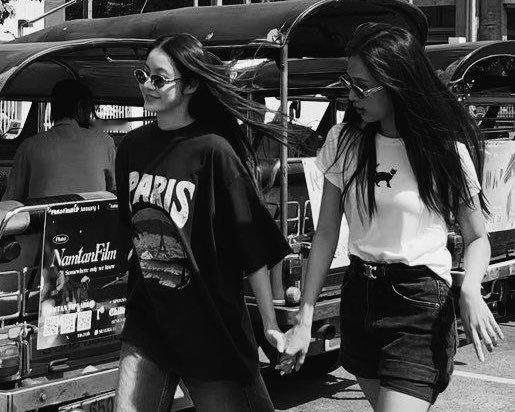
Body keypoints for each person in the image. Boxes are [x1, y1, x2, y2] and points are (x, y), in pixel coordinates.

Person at [280, 23, 504, 411]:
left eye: (362, 86)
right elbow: (326, 233)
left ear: (397, 83)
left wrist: (470, 288)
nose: (352, 96)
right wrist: (304, 318)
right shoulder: (343, 142)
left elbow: (476, 237)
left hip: (419, 303)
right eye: (348, 83)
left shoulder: (444, 150)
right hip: (360, 297)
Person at [114, 34, 292, 412]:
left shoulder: (214, 151)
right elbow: (132, 232)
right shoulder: (130, 148)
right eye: (143, 75)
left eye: (159, 78)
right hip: (148, 324)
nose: (147, 85)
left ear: (191, 85)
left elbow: (252, 245)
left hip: (210, 329)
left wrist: (269, 323)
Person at [2, 79, 116, 202]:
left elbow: (11, 199)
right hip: (93, 214)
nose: (90, 116)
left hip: (43, 214)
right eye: (90, 111)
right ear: (80, 107)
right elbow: (116, 189)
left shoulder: (29, 146)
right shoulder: (105, 142)